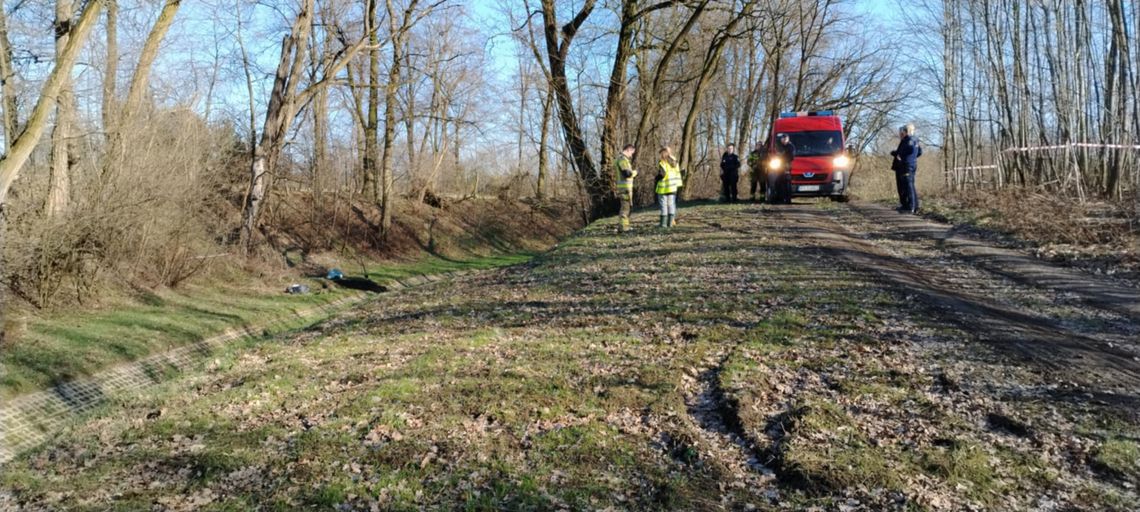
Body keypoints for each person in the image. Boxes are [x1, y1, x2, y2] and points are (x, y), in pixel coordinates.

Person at [890, 124, 922, 213]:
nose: (900, 133)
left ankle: (911, 207)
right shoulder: (914, 140)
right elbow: (919, 152)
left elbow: (910, 149)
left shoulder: (910, 140)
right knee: (908, 185)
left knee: (908, 185)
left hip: (906, 165)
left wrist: (900, 155)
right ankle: (912, 206)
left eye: (902, 131)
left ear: (906, 131)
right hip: (908, 164)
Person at [654, 146, 683, 228]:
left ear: (663, 153)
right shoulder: (675, 161)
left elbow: (662, 174)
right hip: (673, 187)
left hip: (664, 188)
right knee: (671, 205)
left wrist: (656, 178)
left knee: (664, 205)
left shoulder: (662, 162)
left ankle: (663, 224)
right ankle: (670, 223)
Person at [614, 144, 638, 232]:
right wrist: (635, 172)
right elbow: (627, 173)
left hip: (625, 188)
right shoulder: (622, 160)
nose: (631, 155)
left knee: (627, 207)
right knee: (625, 207)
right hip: (624, 188)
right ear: (628, 150)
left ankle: (624, 226)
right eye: (631, 153)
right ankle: (624, 227)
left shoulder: (622, 160)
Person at [768, 133, 795, 204]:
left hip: (786, 167)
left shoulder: (790, 147)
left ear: (788, 139)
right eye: (783, 139)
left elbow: (791, 157)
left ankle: (788, 199)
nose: (784, 140)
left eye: (785, 139)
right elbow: (776, 154)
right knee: (778, 183)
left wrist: (783, 157)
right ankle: (780, 199)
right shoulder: (779, 146)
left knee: (787, 184)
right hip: (779, 167)